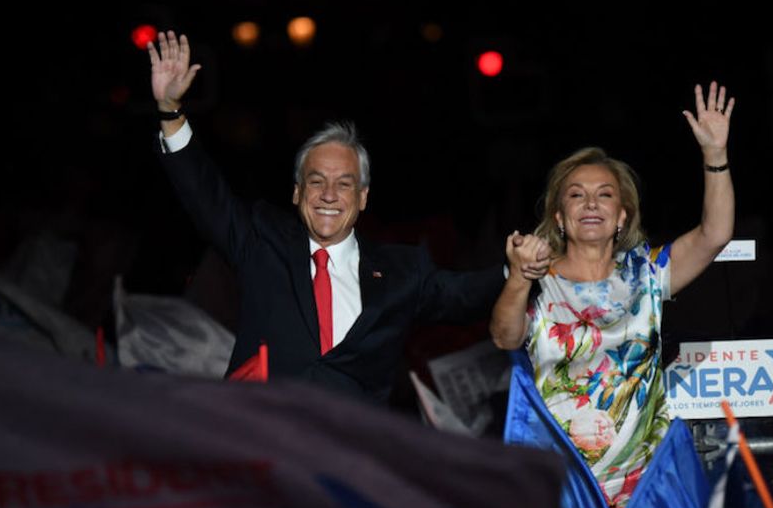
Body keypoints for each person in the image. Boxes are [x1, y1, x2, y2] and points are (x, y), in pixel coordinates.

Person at [147, 30, 546, 403]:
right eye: (316, 182)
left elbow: (464, 294)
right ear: (297, 192)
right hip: (262, 448)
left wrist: (519, 271)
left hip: (349, 458)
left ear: (363, 197)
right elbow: (204, 194)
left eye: (344, 184)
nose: (329, 196)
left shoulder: (401, 273)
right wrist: (170, 111)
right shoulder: (261, 241)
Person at [491, 83, 735, 508]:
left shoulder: (647, 272)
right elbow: (505, 338)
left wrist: (715, 155)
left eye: (604, 194)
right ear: (560, 218)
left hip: (644, 489)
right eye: (576, 194)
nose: (591, 203)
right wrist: (517, 279)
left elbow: (714, 235)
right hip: (559, 487)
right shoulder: (537, 277)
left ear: (622, 216)